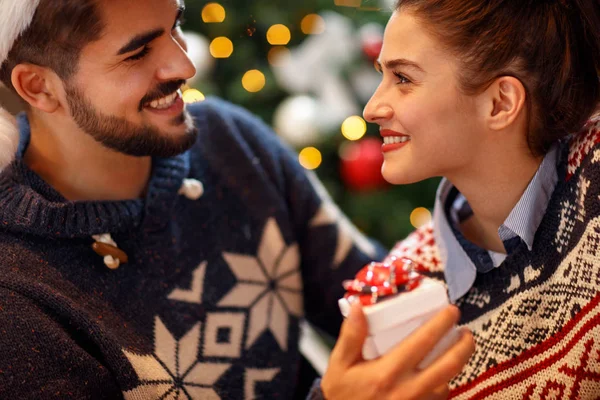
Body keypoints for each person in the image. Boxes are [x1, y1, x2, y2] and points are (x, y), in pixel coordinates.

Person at [0, 0, 475, 398]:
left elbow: (370, 288)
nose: (184, 65)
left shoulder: (226, 137)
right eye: (138, 53)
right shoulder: (16, 301)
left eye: (176, 26)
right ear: (38, 87)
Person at [350, 0, 600, 398]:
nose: (371, 109)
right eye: (382, 75)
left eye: (402, 78)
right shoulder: (399, 290)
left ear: (500, 102)